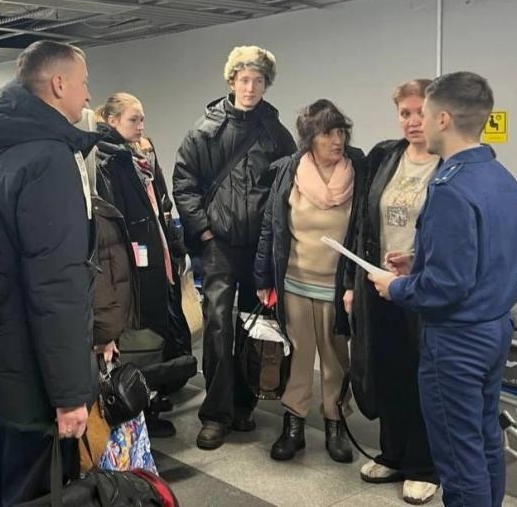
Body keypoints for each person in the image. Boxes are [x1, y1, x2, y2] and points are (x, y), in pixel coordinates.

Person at [367, 72, 517, 507]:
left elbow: (445, 287)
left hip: (457, 341)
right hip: (494, 330)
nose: (417, 122)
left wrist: (397, 286)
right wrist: (420, 262)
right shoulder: (502, 178)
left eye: (424, 113)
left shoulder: (450, 188)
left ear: (443, 119)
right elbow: (484, 257)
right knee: (485, 440)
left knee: (459, 458)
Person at [0, 40, 101, 505]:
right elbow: (57, 285)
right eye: (83, 83)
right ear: (58, 84)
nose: (88, 95)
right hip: (32, 380)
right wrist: (71, 394)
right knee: (31, 492)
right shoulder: (49, 160)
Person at [173, 45, 296, 450]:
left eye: (258, 80)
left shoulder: (276, 134)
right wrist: (204, 230)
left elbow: (286, 187)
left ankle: (243, 405)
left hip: (258, 247)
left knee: (251, 325)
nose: (251, 87)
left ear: (266, 84)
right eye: (244, 79)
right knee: (218, 327)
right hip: (220, 246)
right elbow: (184, 182)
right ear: (231, 81)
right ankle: (215, 414)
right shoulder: (205, 130)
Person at [343, 79, 440, 504]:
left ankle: (424, 465)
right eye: (405, 113)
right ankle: (394, 454)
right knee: (387, 371)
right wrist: (352, 284)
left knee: (423, 377)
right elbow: (362, 224)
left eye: (421, 112)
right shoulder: (385, 156)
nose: (413, 121)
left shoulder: (450, 164)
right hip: (379, 284)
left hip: (423, 288)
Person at [254, 99, 365, 463]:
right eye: (327, 133)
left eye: (341, 132)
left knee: (336, 358)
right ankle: (294, 424)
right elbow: (272, 226)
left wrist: (355, 284)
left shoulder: (358, 170)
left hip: (338, 288)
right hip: (295, 282)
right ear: (310, 138)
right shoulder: (290, 171)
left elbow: (364, 231)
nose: (337, 140)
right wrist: (263, 278)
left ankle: (335, 423)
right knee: (298, 357)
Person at [93, 92, 185, 437]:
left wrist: (174, 248)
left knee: (154, 334)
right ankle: (136, 412)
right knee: (137, 338)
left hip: (153, 257)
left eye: (142, 118)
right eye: (134, 119)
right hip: (132, 265)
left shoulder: (138, 157)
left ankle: (149, 404)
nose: (141, 125)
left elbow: (160, 209)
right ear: (112, 120)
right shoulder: (109, 160)